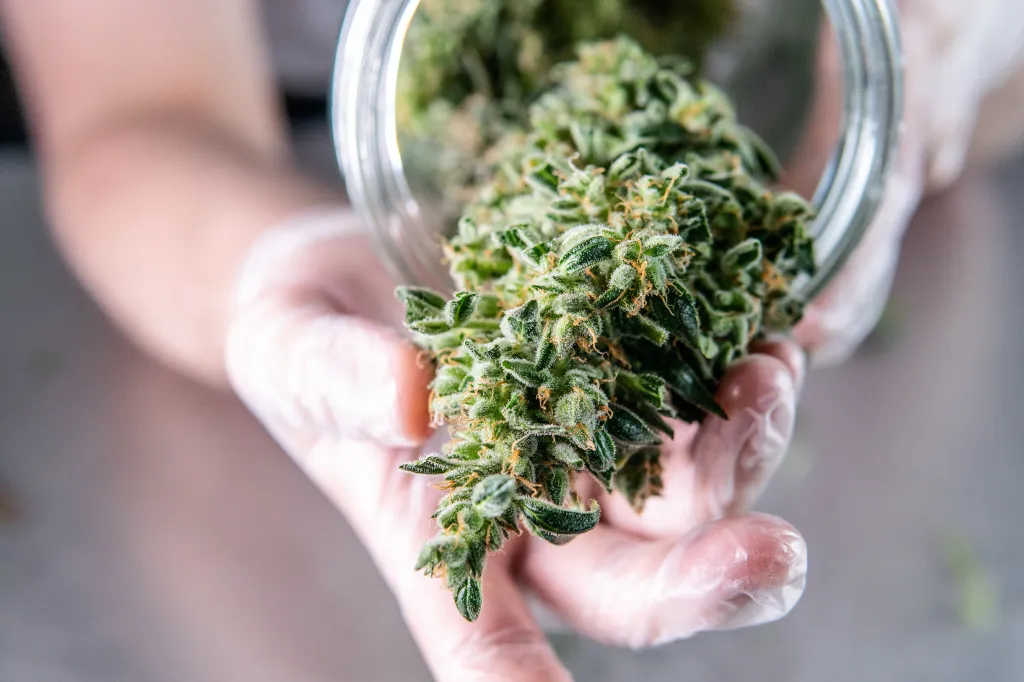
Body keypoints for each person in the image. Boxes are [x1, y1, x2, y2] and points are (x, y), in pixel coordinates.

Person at [1, 1, 1022, 680]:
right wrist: (277, 261)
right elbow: (140, 111)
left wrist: (943, 56)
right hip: (339, 137)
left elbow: (997, 97)